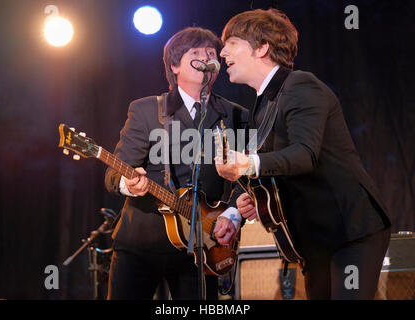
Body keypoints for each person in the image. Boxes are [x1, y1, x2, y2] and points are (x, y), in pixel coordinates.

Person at [215, 9, 391, 300]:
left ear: (262, 48)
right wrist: (241, 207)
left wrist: (248, 163)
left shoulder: (301, 85)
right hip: (313, 239)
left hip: (350, 230)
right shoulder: (263, 104)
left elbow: (304, 154)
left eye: (232, 43)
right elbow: (271, 173)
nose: (223, 53)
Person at [104, 27, 247, 300]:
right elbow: (114, 173)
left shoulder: (235, 115)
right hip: (141, 243)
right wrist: (128, 183)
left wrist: (231, 215)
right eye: (196, 53)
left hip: (201, 247)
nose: (206, 59)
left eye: (211, 53)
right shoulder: (146, 110)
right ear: (174, 65)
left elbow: (247, 179)